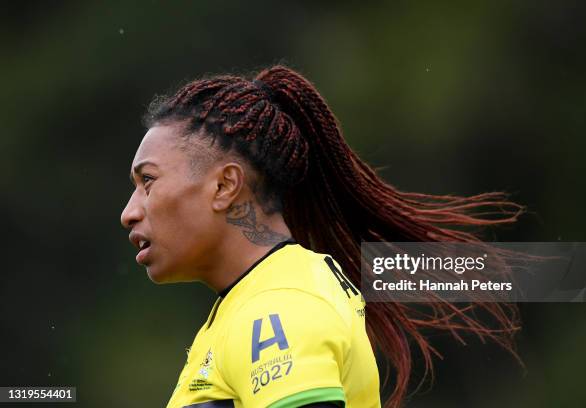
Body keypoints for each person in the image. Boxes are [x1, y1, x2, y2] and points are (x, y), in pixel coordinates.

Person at [120, 65, 524, 407]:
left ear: (225, 186)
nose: (129, 212)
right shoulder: (251, 303)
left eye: (148, 181)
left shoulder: (277, 306)